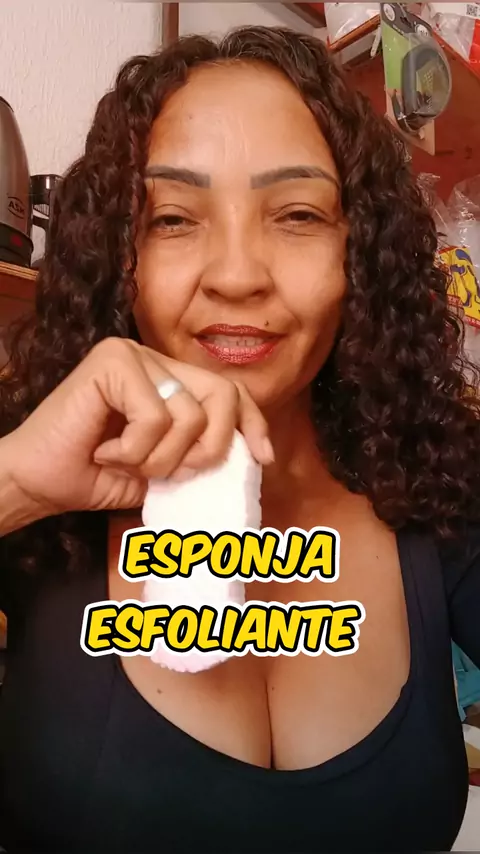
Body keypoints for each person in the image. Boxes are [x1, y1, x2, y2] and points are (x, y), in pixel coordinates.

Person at [0, 24, 479, 853]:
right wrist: (17, 484)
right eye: (173, 219)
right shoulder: (37, 489)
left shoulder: (435, 491)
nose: (236, 275)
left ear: (359, 253)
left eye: (297, 215)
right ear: (118, 256)